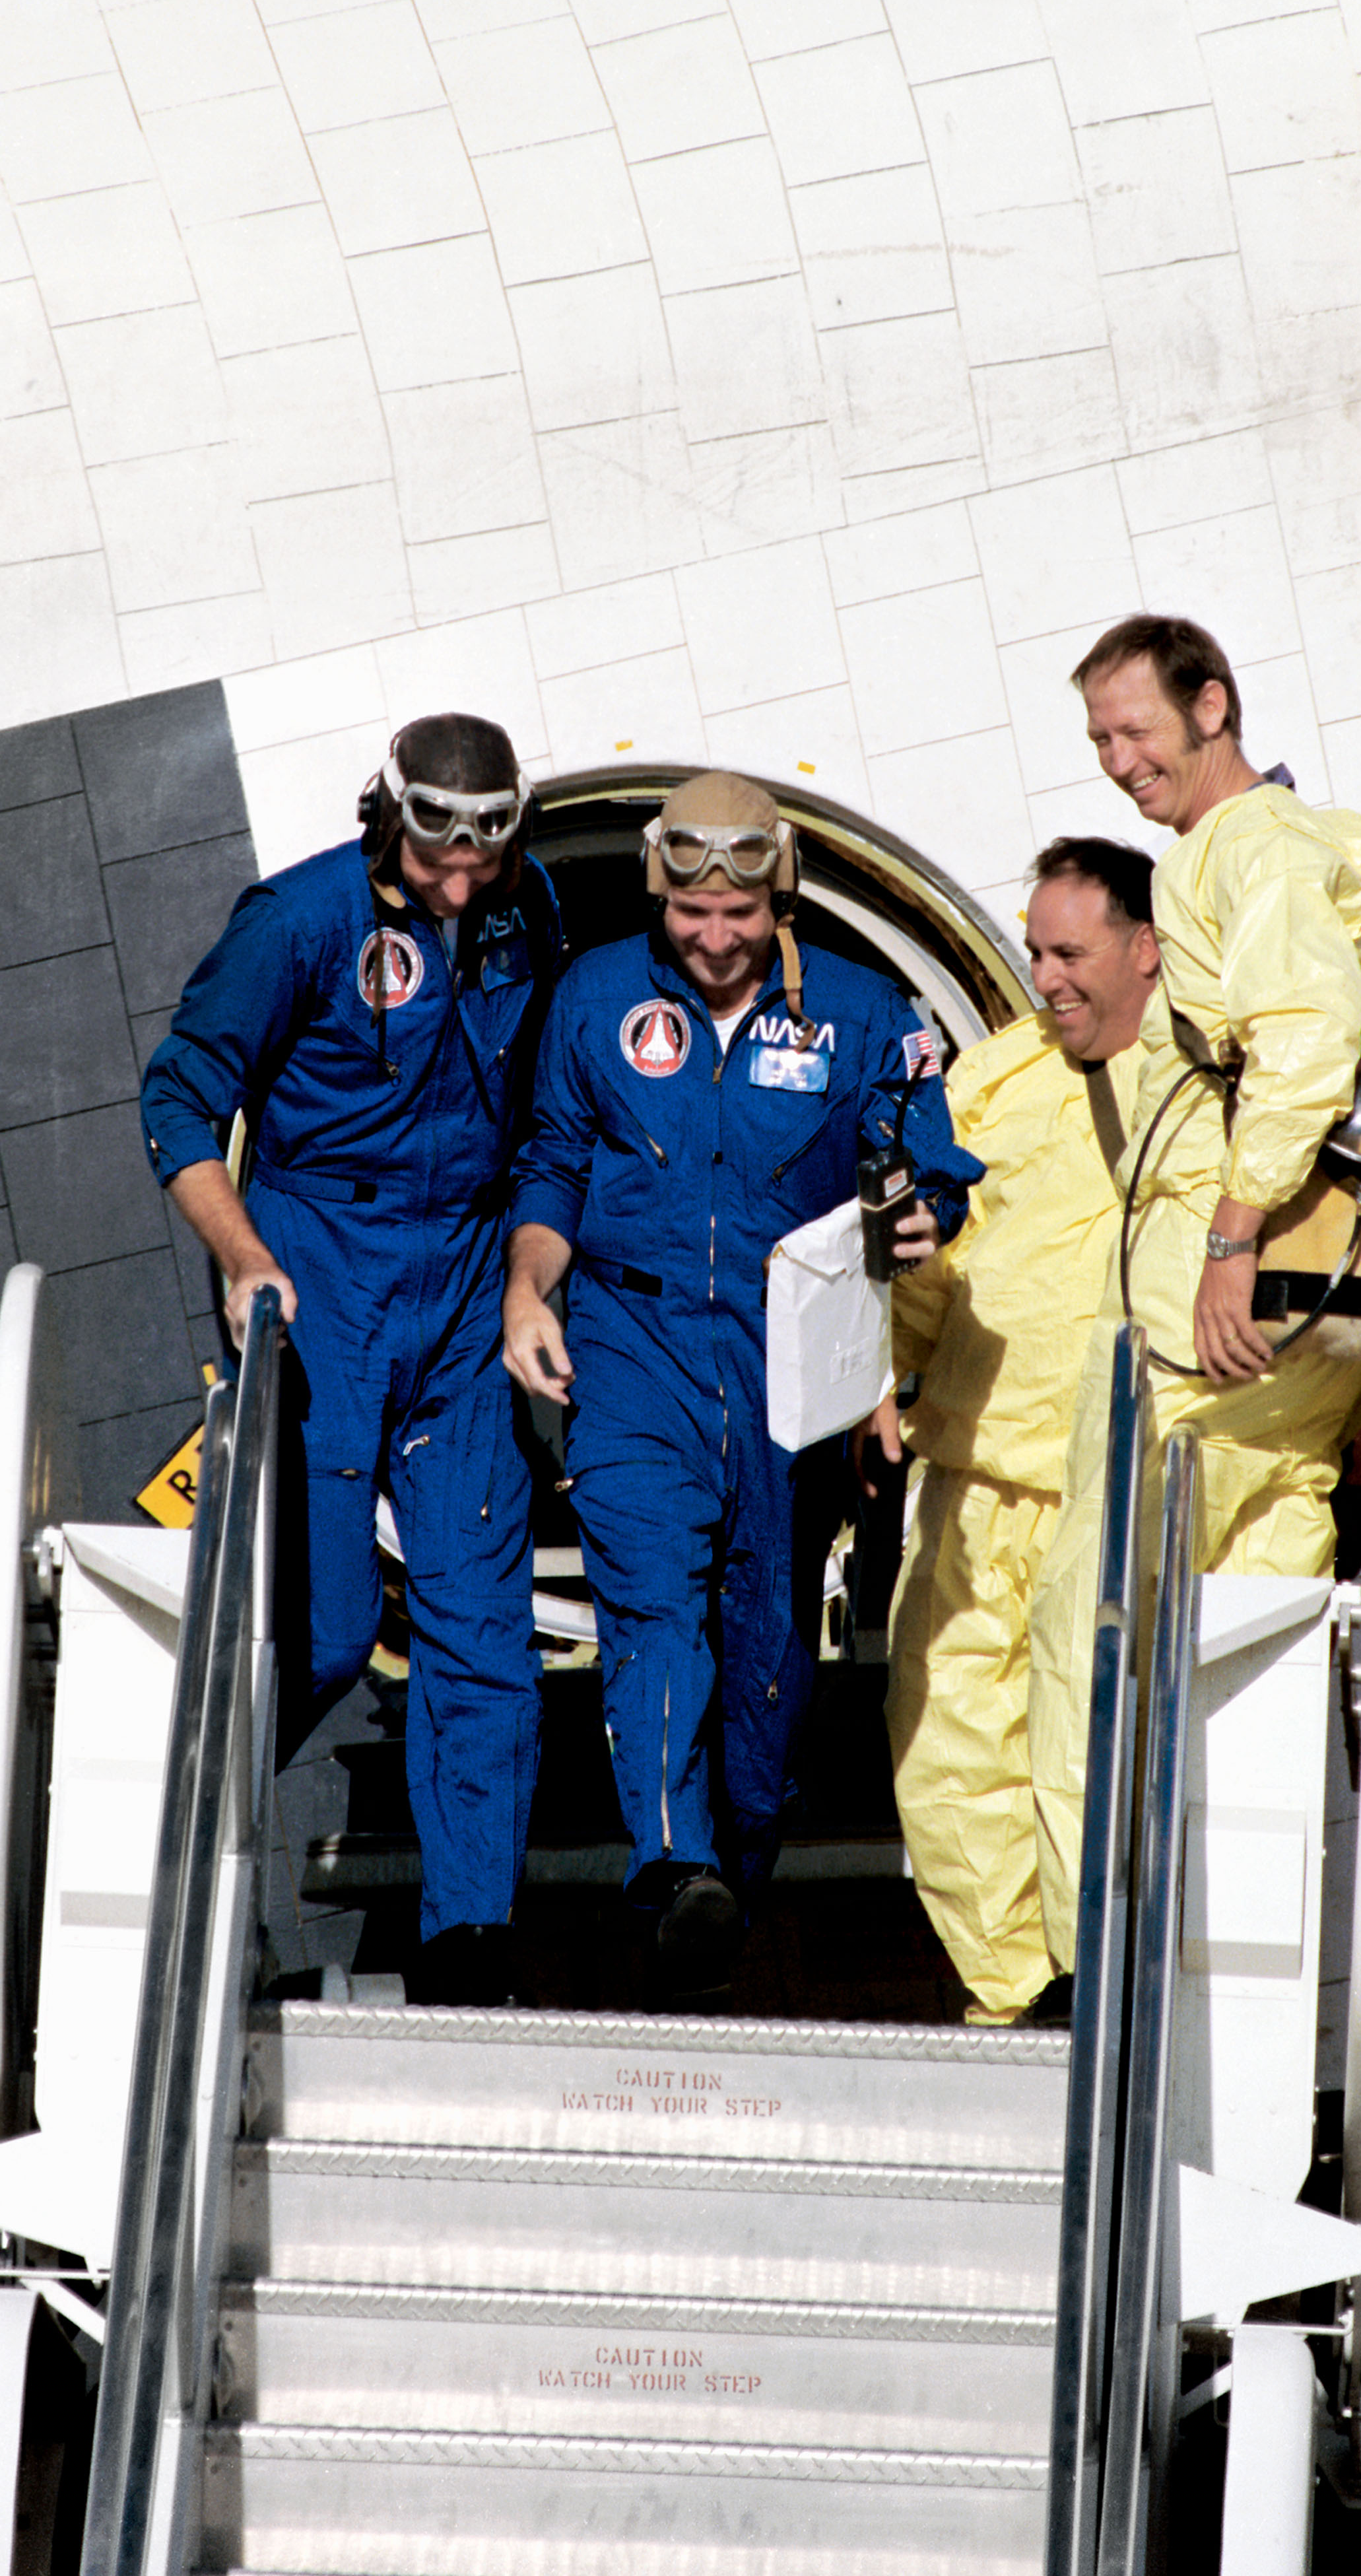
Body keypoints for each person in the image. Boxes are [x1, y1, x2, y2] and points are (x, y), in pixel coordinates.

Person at [502, 773, 975, 1996]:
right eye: (693, 915)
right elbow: (553, 1161)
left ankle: (730, 1886)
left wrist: (924, 1211)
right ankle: (670, 1861)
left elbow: (927, 1158)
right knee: (654, 1599)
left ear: (781, 901)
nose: (715, 941)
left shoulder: (866, 1016)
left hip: (787, 1361)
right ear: (660, 890)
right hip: (633, 1347)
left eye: (742, 918)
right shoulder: (596, 997)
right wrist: (527, 1287)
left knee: (766, 1650)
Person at [1028, 615, 1361, 1961]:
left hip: (1205, 1348)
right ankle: (1242, 1964)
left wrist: (1230, 1243)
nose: (1116, 762)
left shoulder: (1240, 854)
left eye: (1135, 730)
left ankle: (1096, 1973)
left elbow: (1308, 1050)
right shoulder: (1311, 853)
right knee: (1255, 1657)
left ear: (1213, 705)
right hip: (1310, 1339)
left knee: (1092, 1639)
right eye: (1097, 739)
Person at [140, 715, 560, 2008]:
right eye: (439, 856)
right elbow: (177, 1094)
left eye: (484, 855)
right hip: (324, 1272)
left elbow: (545, 1108)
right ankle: (179, 1843)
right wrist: (242, 1252)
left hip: (462, 1285)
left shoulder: (521, 906)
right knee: (318, 1629)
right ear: (392, 821)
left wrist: (528, 1281)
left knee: (483, 1633)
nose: (461, 883)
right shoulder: (297, 923)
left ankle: (469, 1938)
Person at [875, 836, 1160, 2027]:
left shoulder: (1198, 1095)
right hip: (971, 1470)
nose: (1046, 976)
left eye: (1071, 952)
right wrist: (884, 1382)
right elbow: (933, 1265)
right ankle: (1016, 1996)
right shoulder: (992, 1084)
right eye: (1035, 950)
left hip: (1101, 1486)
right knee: (945, 1745)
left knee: (1078, 1756)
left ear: (1148, 952)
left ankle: (1097, 1989)